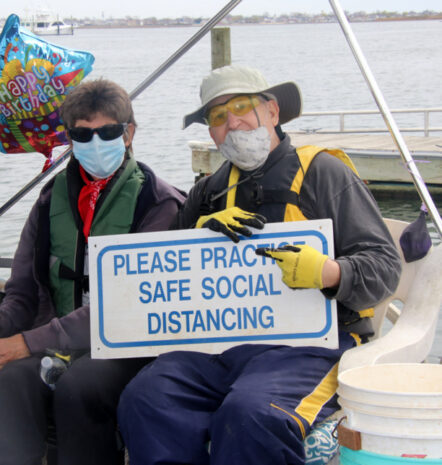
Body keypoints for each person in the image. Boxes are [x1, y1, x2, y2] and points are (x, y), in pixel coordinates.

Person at [117, 64, 402, 465]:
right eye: (217, 116)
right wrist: (196, 234)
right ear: (211, 133)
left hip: (313, 347)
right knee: (146, 398)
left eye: (241, 107)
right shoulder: (208, 191)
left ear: (272, 111)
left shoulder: (324, 172)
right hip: (219, 347)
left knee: (253, 413)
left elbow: (386, 266)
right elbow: (166, 267)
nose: (232, 122)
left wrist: (330, 273)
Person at [0, 78, 185, 465]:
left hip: (130, 348)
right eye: (82, 134)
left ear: (129, 134)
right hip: (58, 345)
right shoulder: (49, 201)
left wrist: (26, 343)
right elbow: (24, 290)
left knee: (81, 385)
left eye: (107, 132)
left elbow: (127, 306)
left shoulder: (159, 204)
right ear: (70, 139)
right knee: (13, 379)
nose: (95, 142)